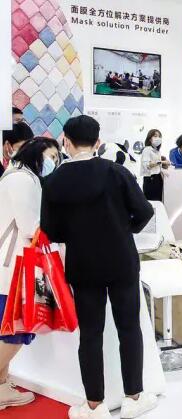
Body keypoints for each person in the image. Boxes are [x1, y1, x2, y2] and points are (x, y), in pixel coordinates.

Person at [41, 115, 157, 419]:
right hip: (122, 260)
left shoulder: (54, 181)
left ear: (65, 141)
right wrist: (123, 229)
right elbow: (145, 211)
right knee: (129, 328)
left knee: (90, 334)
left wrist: (76, 235)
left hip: (83, 264)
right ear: (98, 141)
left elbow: (51, 230)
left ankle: (95, 405)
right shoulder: (116, 172)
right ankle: (134, 397)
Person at [0, 137, 59, 410]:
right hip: (16, 265)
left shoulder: (18, 176)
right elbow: (30, 226)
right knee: (16, 330)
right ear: (36, 152)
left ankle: (2, 386)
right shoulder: (23, 180)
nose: (53, 162)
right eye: (51, 156)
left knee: (10, 329)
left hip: (13, 264)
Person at [139, 129, 168, 201]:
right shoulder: (147, 149)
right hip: (150, 179)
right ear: (149, 139)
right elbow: (147, 165)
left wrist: (164, 164)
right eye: (155, 136)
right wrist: (162, 162)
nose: (157, 138)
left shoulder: (157, 151)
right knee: (152, 202)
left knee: (159, 201)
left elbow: (158, 165)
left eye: (159, 136)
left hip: (158, 178)